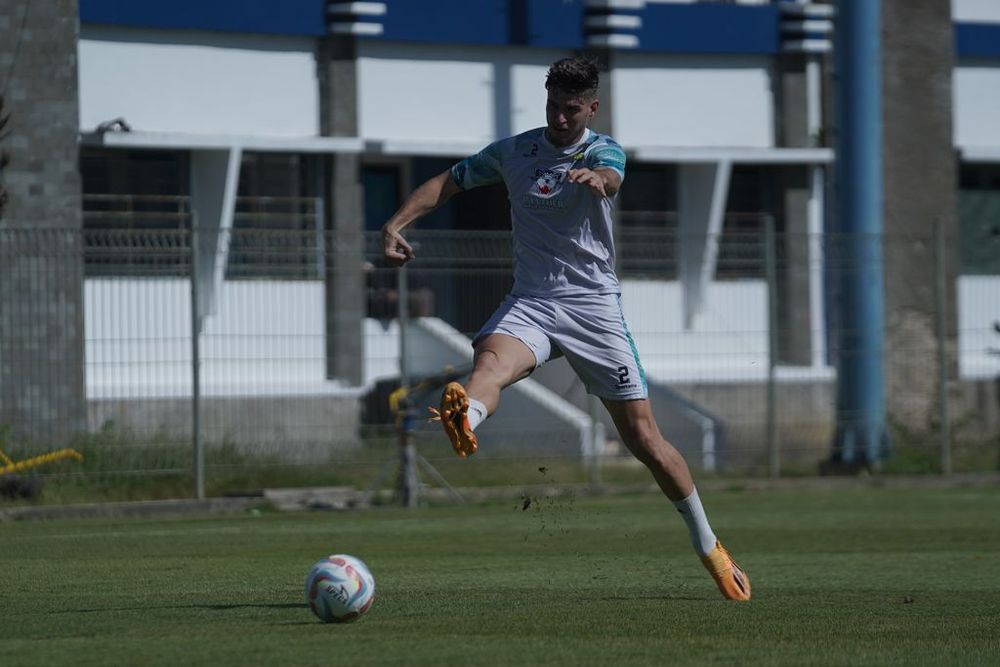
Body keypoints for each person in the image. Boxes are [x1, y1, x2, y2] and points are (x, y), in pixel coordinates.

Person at [380, 57, 750, 601]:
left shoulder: (602, 150)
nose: (559, 116)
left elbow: (612, 174)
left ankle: (710, 547)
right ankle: (467, 416)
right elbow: (448, 182)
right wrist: (395, 223)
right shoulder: (514, 152)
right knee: (489, 364)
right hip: (532, 301)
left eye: (571, 109)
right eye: (553, 105)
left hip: (594, 309)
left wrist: (599, 180)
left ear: (591, 108)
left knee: (645, 440)